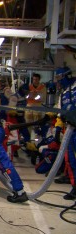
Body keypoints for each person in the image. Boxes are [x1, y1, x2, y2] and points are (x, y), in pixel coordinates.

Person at [54, 67, 76, 200]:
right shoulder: (63, 94)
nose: (58, 82)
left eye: (59, 78)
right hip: (70, 131)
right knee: (72, 160)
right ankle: (75, 187)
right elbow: (60, 113)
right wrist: (57, 129)